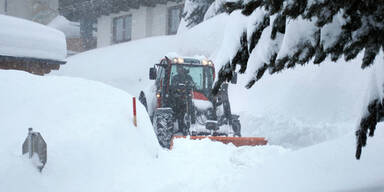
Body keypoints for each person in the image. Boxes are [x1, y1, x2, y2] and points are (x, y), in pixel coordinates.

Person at [170, 65, 194, 135]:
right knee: (180, 112)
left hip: (188, 98)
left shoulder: (188, 77)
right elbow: (173, 87)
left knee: (188, 110)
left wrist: (188, 85)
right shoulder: (175, 78)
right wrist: (178, 88)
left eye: (180, 69)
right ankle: (180, 127)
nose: (179, 70)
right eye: (178, 69)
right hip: (177, 99)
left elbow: (192, 85)